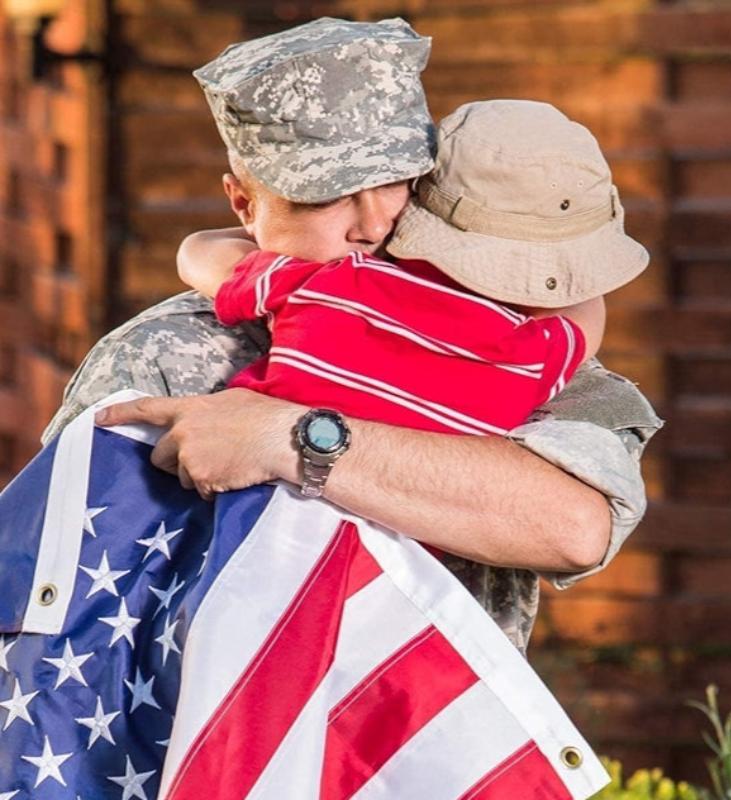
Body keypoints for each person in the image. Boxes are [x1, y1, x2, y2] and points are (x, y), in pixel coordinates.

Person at [43, 17, 662, 651]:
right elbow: (60, 592)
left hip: (425, 731)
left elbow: (572, 528)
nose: (371, 227)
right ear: (244, 204)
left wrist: (288, 437)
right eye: (323, 199)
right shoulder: (166, 355)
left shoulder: (506, 334)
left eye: (396, 185)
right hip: (204, 731)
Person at [177, 99, 645, 456]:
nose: (374, 224)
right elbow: (584, 309)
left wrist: (263, 228)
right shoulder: (532, 356)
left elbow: (199, 254)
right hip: (401, 572)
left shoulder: (329, 287)